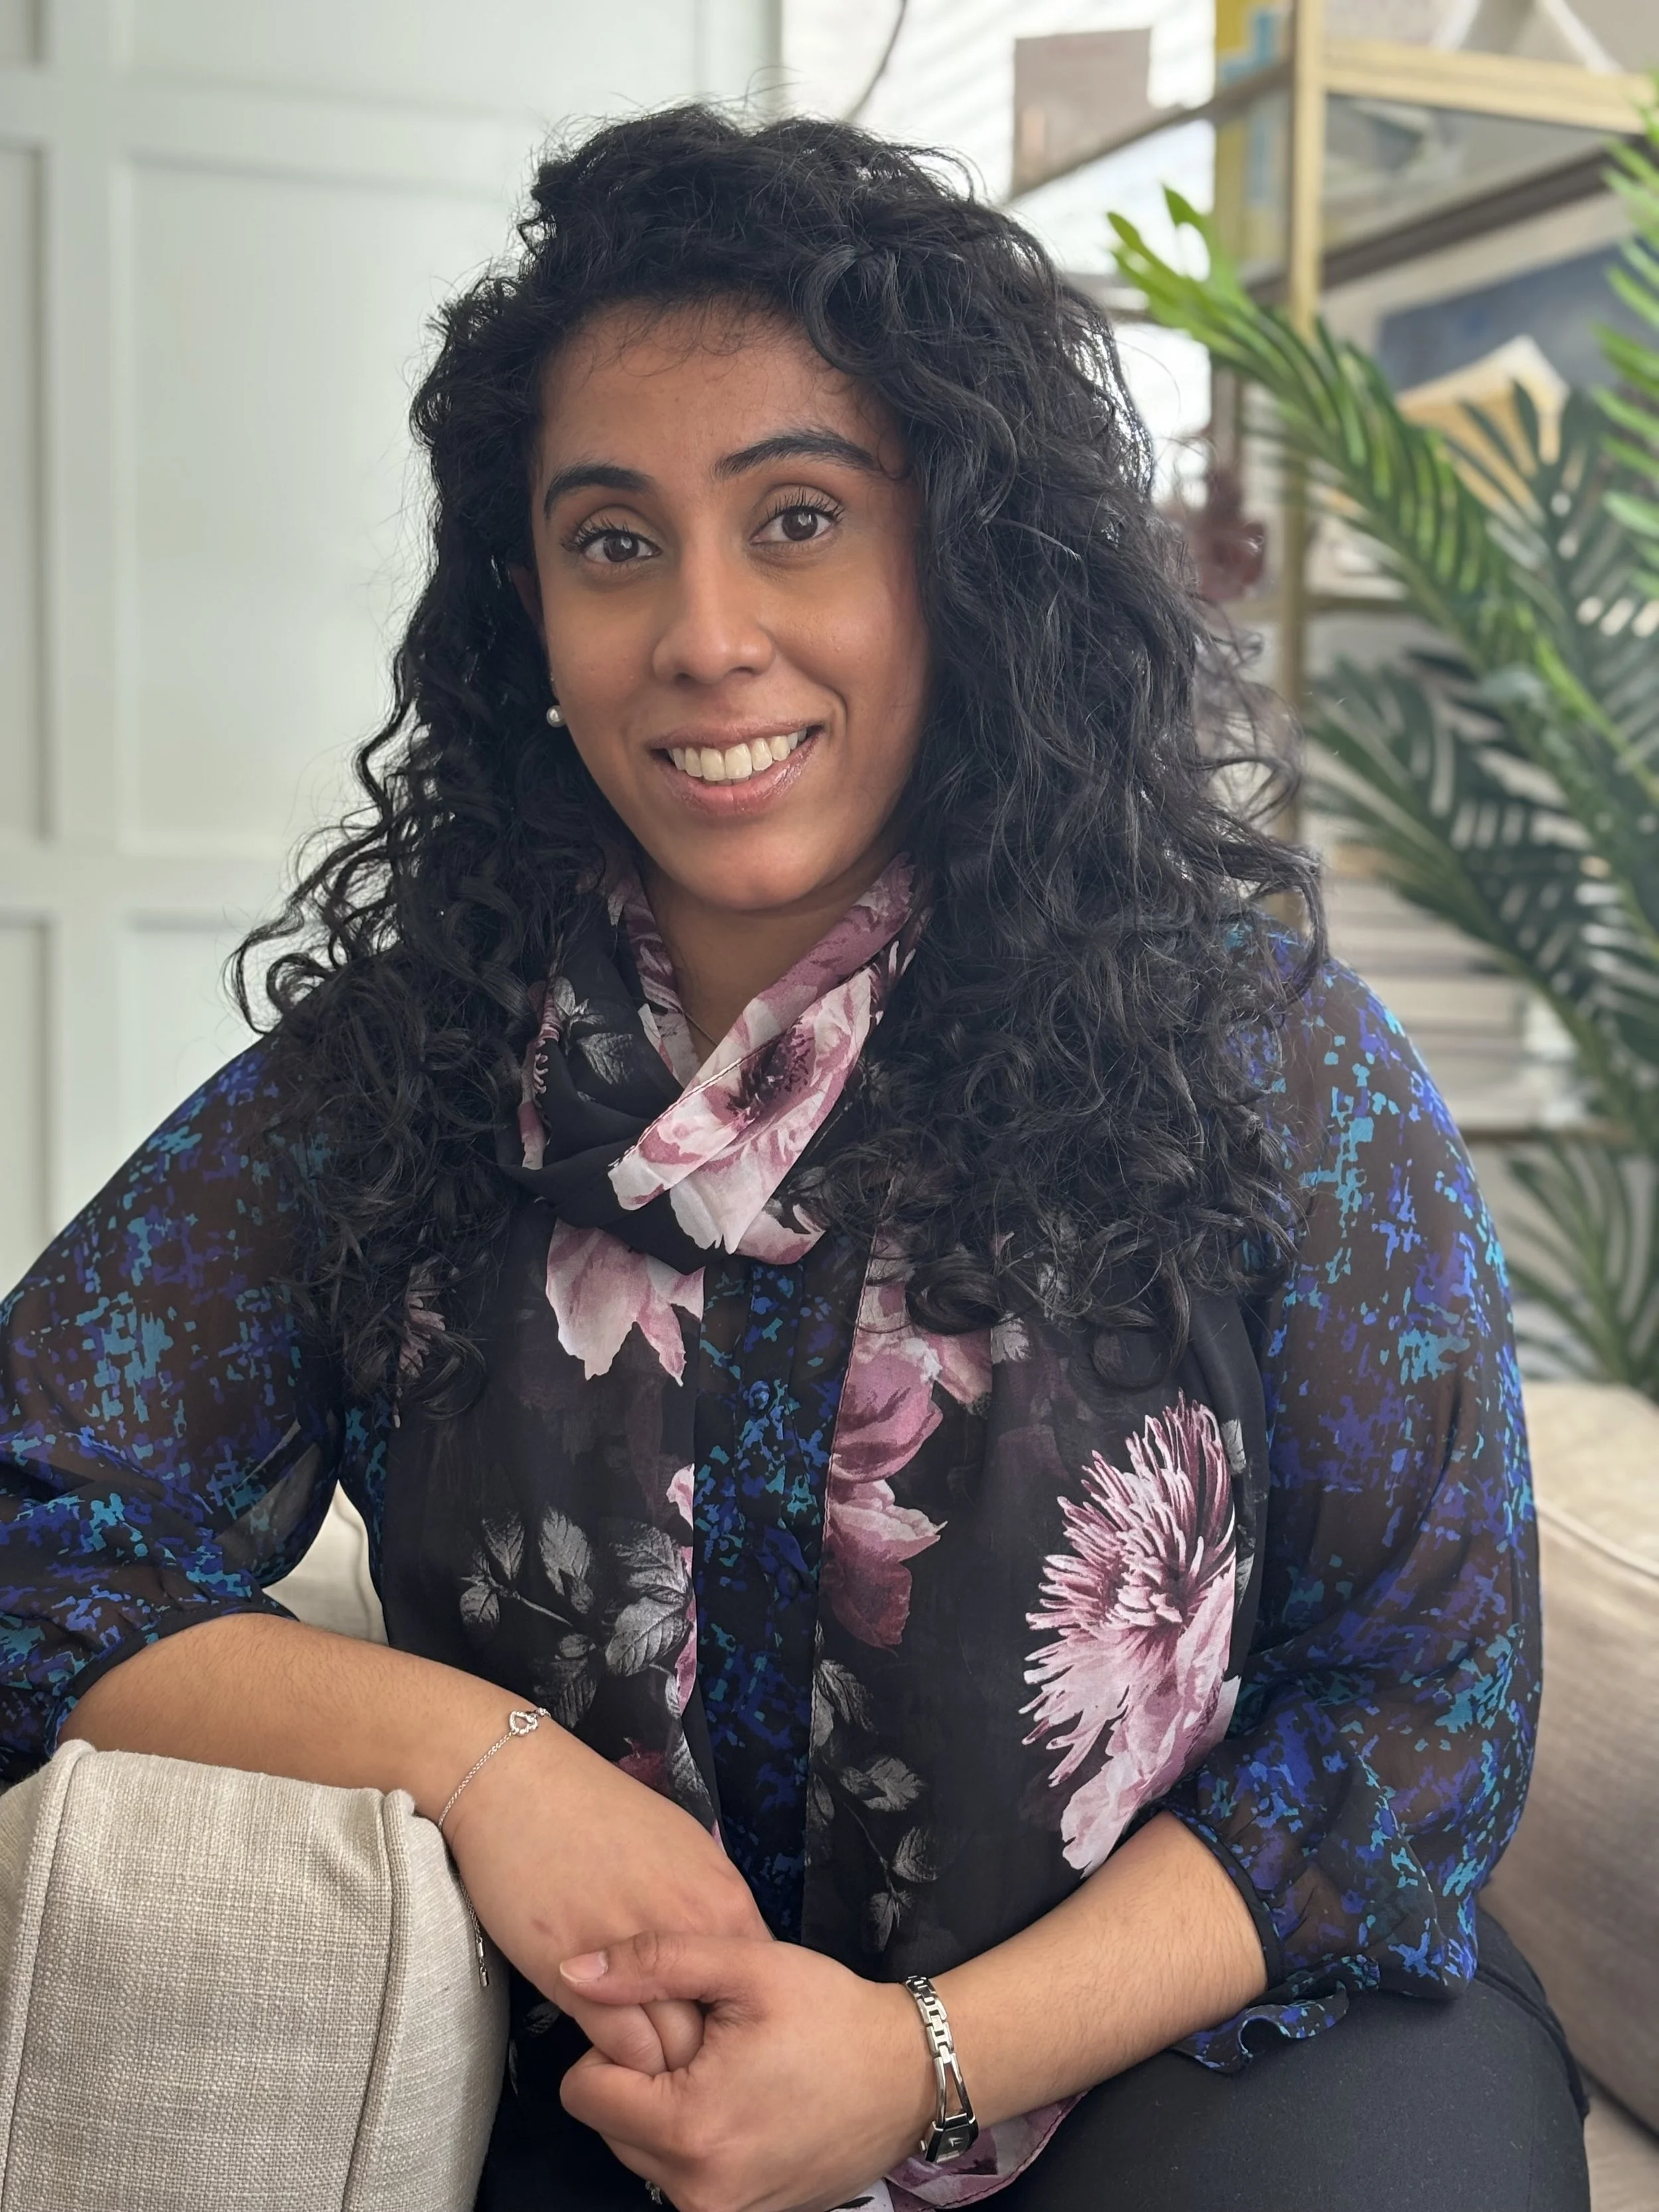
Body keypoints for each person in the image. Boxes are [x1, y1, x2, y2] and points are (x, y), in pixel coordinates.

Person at [0, 106, 1587, 2212]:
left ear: (962, 557)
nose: (705, 638)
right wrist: (494, 1769)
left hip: (1189, 2047)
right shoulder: (401, 1074)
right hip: (628, 2077)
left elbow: (1419, 1702)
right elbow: (31, 1524)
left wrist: (917, 2059)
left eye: (801, 518)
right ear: (528, 607)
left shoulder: (1248, 1055)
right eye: (614, 540)